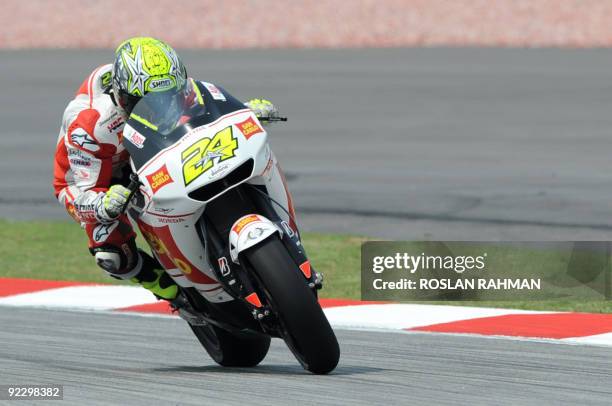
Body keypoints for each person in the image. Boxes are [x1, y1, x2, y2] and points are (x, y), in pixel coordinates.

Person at [52, 37, 278, 301]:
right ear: (123, 96)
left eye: (170, 95)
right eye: (147, 101)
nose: (161, 106)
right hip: (97, 175)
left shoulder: (173, 84)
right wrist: (102, 204)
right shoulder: (92, 126)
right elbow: (82, 192)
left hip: (154, 148)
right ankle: (170, 292)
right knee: (111, 254)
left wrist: (244, 111)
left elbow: (211, 109)